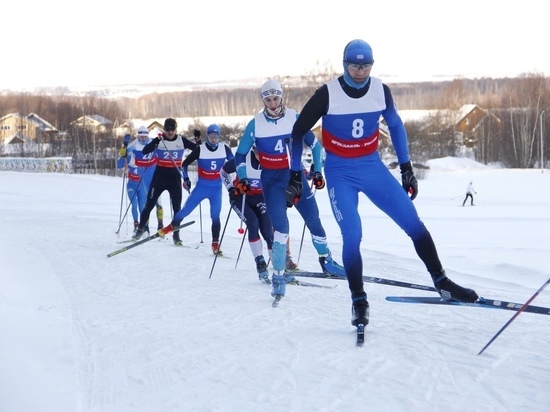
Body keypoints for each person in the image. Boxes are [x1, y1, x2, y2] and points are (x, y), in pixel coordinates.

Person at [289, 39, 479, 328]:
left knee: (413, 222)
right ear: (345, 64)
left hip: (372, 167)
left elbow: (396, 125)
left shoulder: (381, 91)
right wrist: (294, 173)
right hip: (340, 172)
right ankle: (359, 301)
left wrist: (406, 168)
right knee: (353, 234)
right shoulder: (327, 94)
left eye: (366, 66)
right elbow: (297, 131)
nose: (360, 71)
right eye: (355, 65)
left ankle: (442, 282)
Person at [233, 79, 345, 301]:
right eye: (268, 99)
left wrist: (318, 171)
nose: (273, 104)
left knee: (314, 220)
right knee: (281, 228)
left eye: (276, 98)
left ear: (282, 97)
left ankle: (326, 260)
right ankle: (278, 275)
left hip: (296, 176)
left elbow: (315, 146)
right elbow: (240, 154)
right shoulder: (255, 124)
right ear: (263, 100)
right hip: (272, 181)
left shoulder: (295, 117)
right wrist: (243, 177)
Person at [158, 124, 234, 252]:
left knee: (215, 216)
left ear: (219, 136)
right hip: (202, 187)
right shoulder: (200, 149)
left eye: (216, 136)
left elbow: (234, 163)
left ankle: (215, 244)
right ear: (207, 136)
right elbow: (185, 164)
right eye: (211, 136)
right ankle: (170, 227)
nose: (213, 139)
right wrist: (186, 179)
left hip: (216, 189)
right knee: (185, 211)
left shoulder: (224, 148)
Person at [133, 118, 197, 244]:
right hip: (159, 177)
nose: (170, 131)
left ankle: (176, 235)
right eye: (167, 129)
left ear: (175, 129)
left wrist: (198, 140)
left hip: (174, 178)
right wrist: (155, 142)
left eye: (172, 129)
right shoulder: (159, 140)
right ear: (164, 129)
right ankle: (140, 230)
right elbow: (145, 151)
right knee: (149, 205)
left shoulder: (181, 140)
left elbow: (197, 150)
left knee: (177, 208)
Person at [221, 147, 274, 283]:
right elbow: (223, 171)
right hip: (240, 197)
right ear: (254, 150)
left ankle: (278, 265)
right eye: (258, 153)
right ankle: (260, 263)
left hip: (259, 197)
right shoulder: (243, 159)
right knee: (253, 223)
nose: (261, 156)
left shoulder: (270, 160)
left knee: (268, 231)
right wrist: (230, 188)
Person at [117, 128, 164, 234]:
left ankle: (160, 226)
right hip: (142, 181)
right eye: (140, 136)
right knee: (145, 205)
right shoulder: (133, 146)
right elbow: (122, 157)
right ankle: (145, 227)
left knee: (158, 203)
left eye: (145, 136)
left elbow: (164, 150)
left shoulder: (154, 142)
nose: (143, 138)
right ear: (138, 135)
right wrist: (124, 145)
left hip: (155, 178)